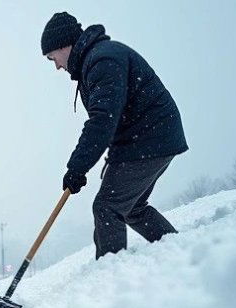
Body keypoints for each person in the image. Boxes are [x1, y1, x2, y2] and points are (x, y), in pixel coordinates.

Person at [41, 12, 188, 259]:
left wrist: (77, 167)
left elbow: (102, 121)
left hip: (151, 138)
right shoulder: (95, 59)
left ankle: (110, 274)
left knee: (107, 207)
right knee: (132, 208)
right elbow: (112, 119)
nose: (56, 65)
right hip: (152, 137)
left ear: (64, 45)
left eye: (52, 57)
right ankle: (180, 251)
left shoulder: (102, 60)